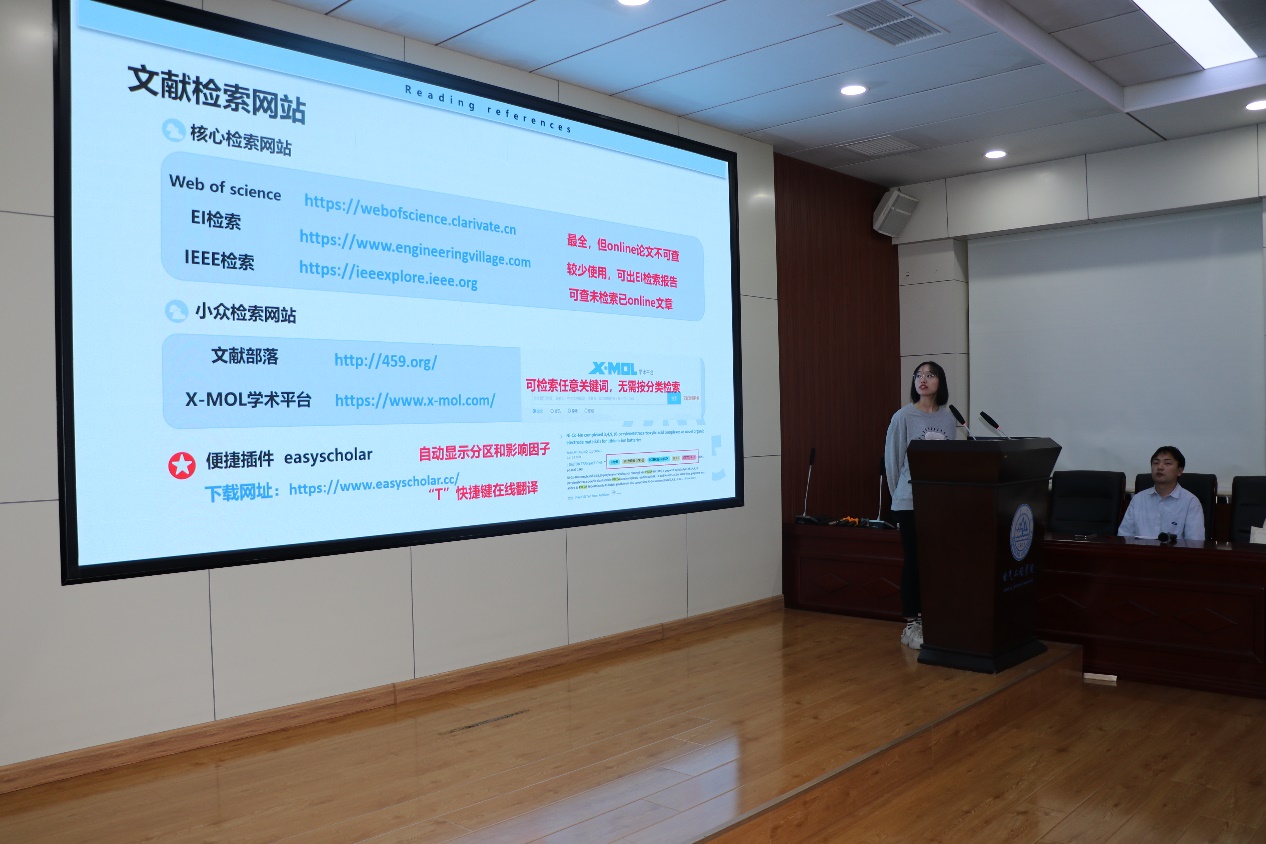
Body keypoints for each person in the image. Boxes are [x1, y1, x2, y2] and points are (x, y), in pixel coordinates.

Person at [884, 361, 957, 650]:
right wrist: (899, 496)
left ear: (940, 382)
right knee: (914, 560)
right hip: (909, 501)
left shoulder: (949, 418)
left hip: (939, 504)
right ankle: (912, 624)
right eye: (918, 375)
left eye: (930, 375)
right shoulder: (903, 416)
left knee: (935, 561)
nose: (922, 379)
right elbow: (892, 461)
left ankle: (932, 618)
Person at [1118, 446, 1205, 540]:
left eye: (1167, 463)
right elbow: (1124, 537)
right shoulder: (1138, 499)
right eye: (1156, 463)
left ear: (1179, 471)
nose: (1159, 467)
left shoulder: (1191, 502)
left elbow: (1195, 543)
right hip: (1139, 549)